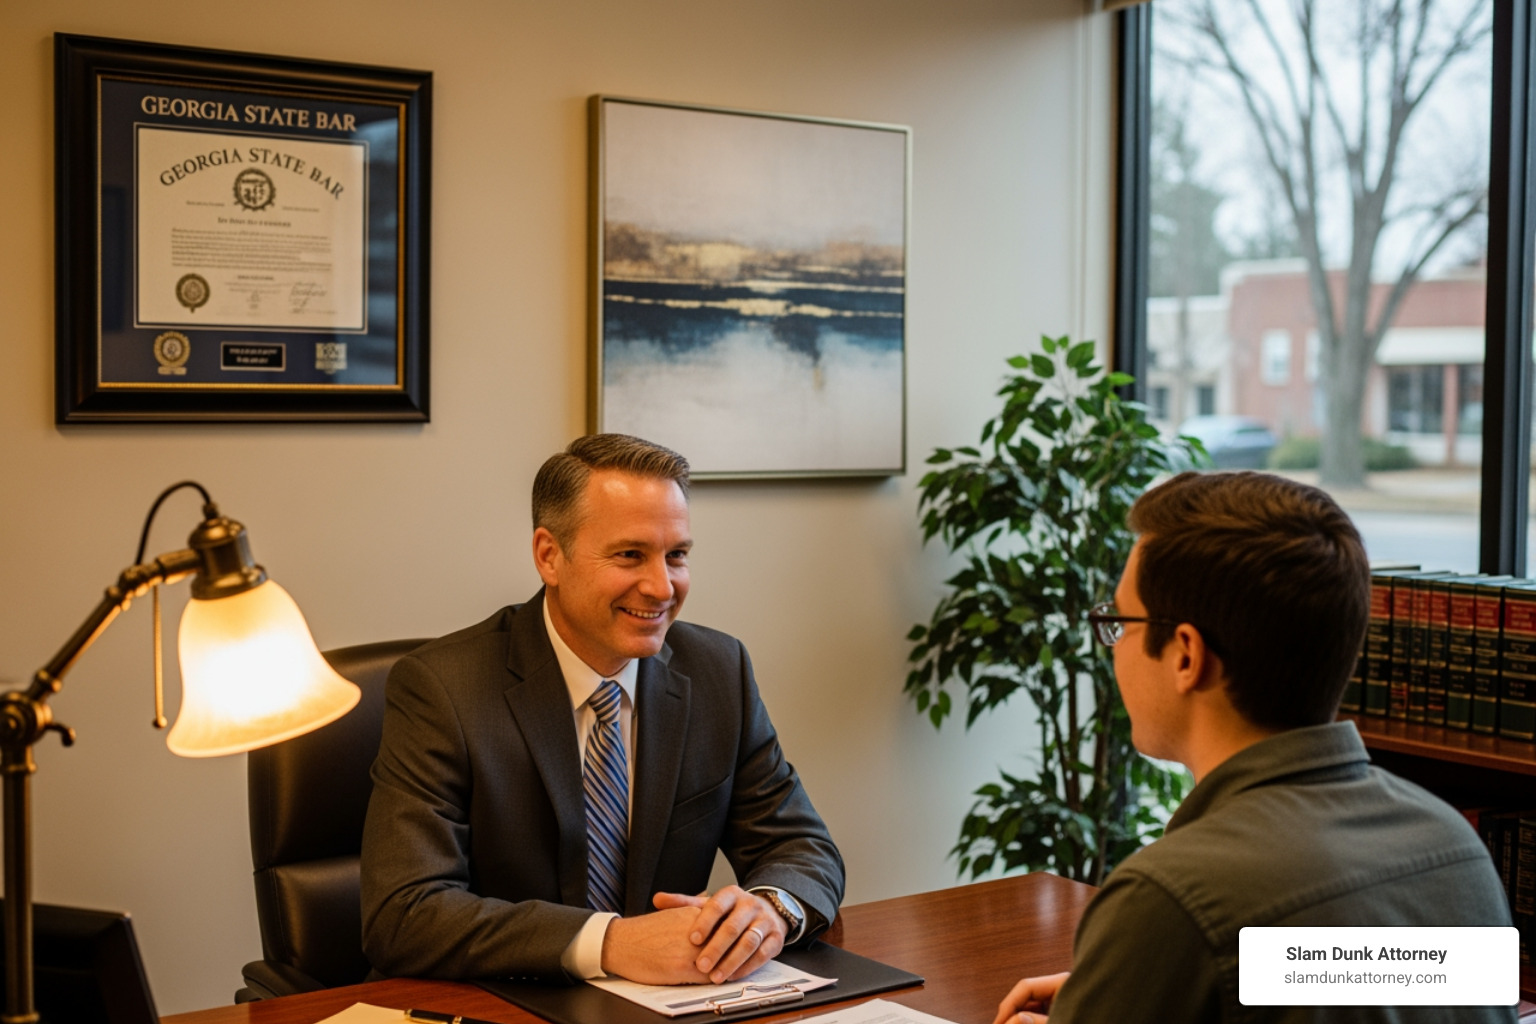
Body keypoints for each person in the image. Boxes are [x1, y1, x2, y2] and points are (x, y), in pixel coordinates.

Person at [994, 471, 1515, 1024]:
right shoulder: (1455, 849)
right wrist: (1145, 989)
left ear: (1186, 655)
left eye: (1119, 622)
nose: (1113, 648)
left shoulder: (1170, 899)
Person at [361, 434, 844, 987]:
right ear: (550, 556)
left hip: (668, 1004)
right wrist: (610, 942)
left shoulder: (718, 670)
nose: (662, 587)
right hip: (504, 1001)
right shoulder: (444, 687)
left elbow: (802, 846)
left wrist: (769, 911)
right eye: (630, 555)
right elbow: (403, 913)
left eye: (677, 555)